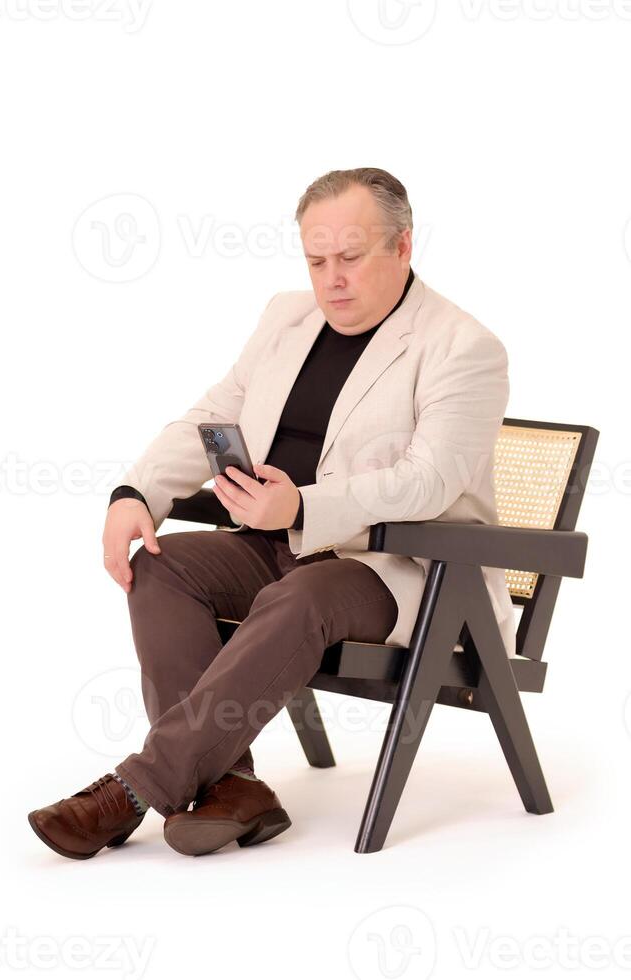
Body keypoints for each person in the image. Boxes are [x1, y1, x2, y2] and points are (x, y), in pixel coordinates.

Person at [28, 167, 516, 860]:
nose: (331, 279)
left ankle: (134, 788)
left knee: (303, 594)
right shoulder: (287, 316)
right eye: (317, 260)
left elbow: (428, 482)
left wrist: (303, 505)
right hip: (271, 542)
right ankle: (233, 786)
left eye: (351, 258)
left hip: (391, 567)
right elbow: (213, 415)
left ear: (403, 247)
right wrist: (136, 495)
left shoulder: (462, 347)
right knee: (162, 568)